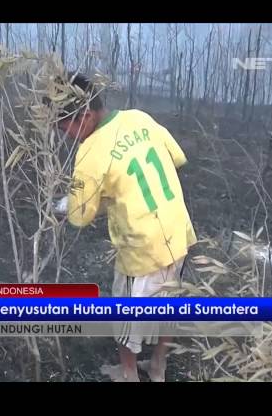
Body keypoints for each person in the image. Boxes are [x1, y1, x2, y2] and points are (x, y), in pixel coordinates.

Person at [55, 72, 197, 382]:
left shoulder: (90, 153)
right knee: (168, 306)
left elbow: (80, 216)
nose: (64, 135)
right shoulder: (139, 117)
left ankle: (129, 373)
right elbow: (177, 158)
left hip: (142, 248)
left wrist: (68, 204)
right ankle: (157, 368)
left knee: (126, 316)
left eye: (64, 127)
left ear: (85, 116)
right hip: (177, 231)